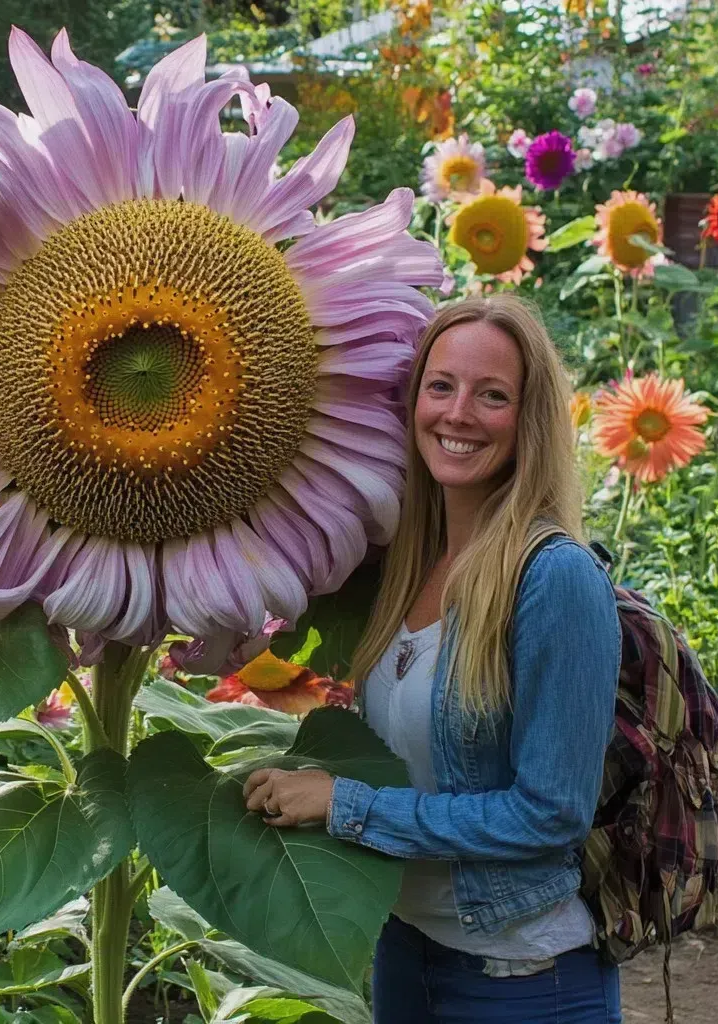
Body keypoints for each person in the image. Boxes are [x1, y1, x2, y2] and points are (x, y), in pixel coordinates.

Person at [243, 295, 623, 1023]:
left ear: (530, 419)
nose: (458, 414)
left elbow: (550, 815)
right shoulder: (404, 565)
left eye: (493, 396)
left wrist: (345, 804)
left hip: (521, 978)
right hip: (405, 953)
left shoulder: (555, 578)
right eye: (440, 386)